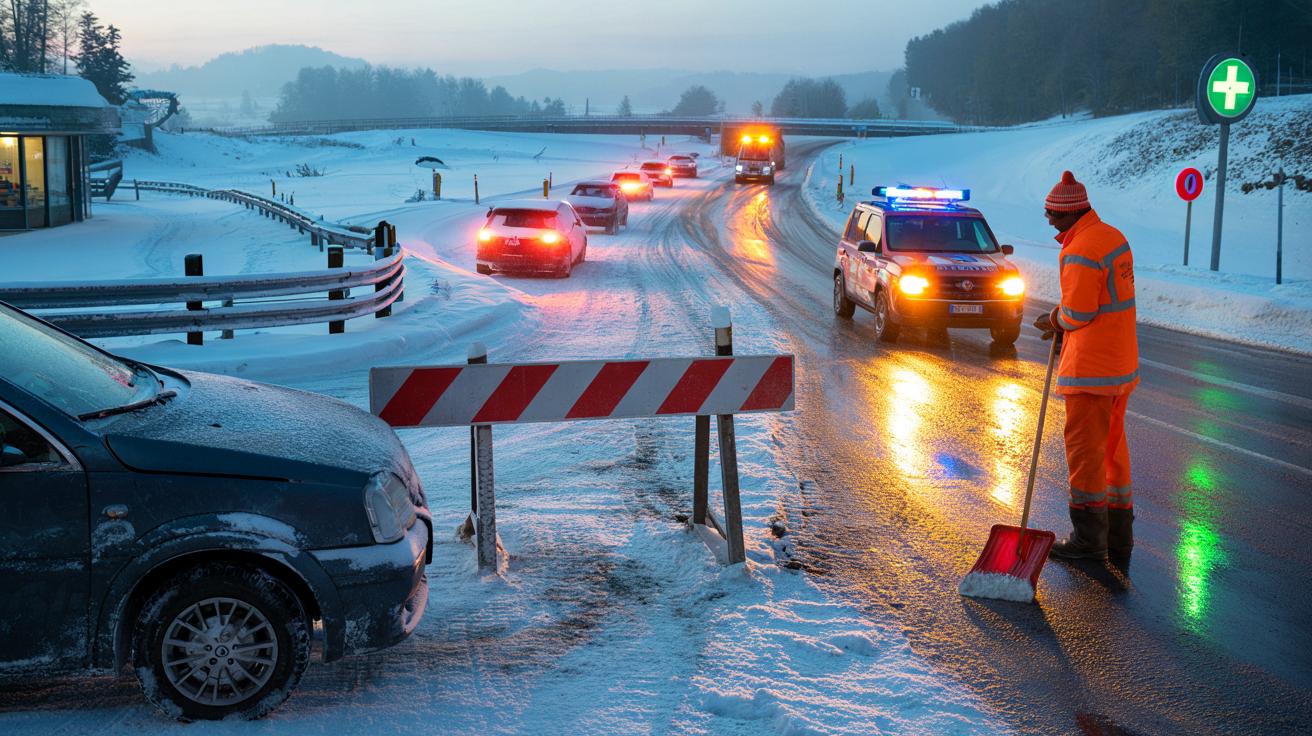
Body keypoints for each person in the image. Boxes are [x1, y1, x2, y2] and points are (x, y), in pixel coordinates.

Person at [1032, 171, 1138, 564]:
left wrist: (1056, 320)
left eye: (1052, 215)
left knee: (1084, 453)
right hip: (1120, 365)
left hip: (1091, 370)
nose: (1048, 221)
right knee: (1112, 451)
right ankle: (1118, 535)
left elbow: (1079, 310)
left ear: (1070, 212)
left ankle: (1089, 539)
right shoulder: (1112, 236)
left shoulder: (1080, 249)